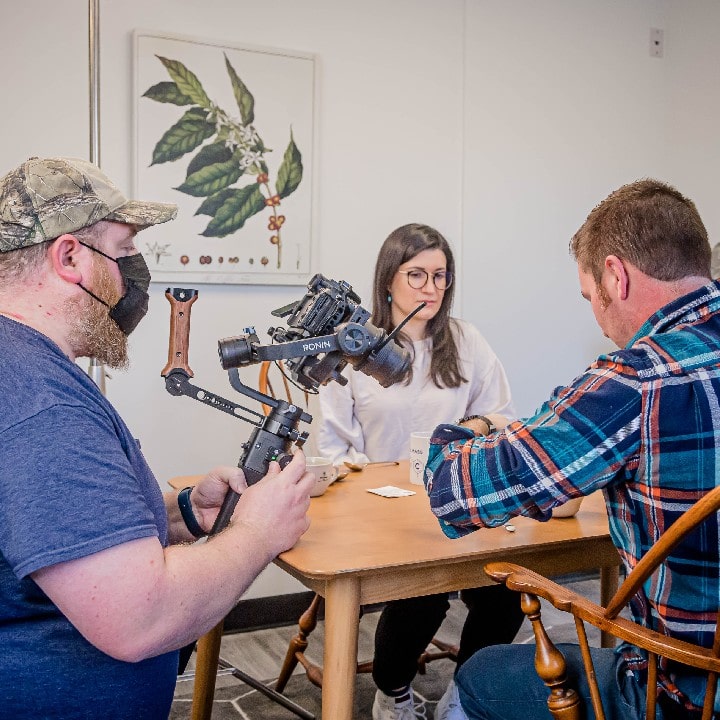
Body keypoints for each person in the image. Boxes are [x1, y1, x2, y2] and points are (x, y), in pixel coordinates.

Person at [0, 156, 315, 719]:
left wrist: (184, 512)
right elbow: (138, 619)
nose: (132, 276)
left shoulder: (22, 369)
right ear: (69, 257)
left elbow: (53, 531)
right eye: (123, 253)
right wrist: (259, 532)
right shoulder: (42, 406)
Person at [425, 179, 720, 720]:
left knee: (478, 675)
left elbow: (453, 492)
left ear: (616, 275)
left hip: (685, 694)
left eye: (591, 298)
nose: (600, 323)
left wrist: (467, 429)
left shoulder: (638, 380)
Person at [318, 223, 525, 720]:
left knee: (509, 590)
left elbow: (503, 416)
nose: (431, 288)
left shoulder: (463, 339)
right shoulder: (353, 346)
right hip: (376, 510)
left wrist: (468, 428)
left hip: (452, 498)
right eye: (417, 275)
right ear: (388, 279)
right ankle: (392, 693)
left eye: (441, 276)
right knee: (423, 593)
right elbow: (330, 448)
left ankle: (466, 692)